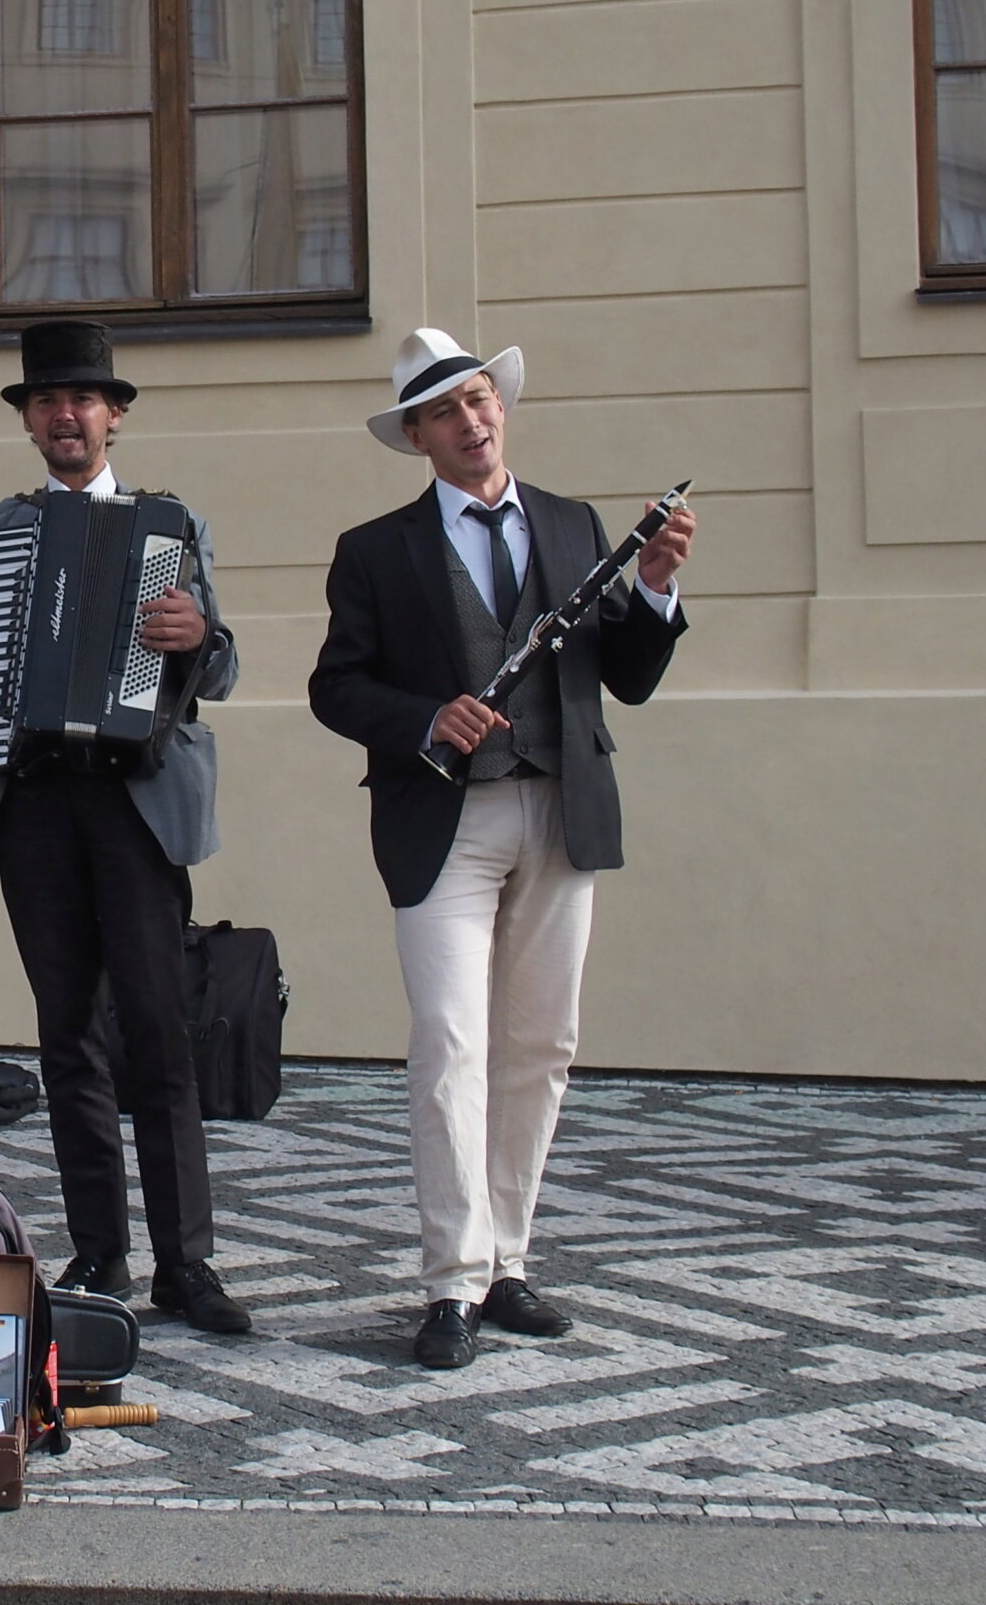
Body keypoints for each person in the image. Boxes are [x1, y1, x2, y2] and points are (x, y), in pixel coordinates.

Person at [308, 328, 693, 1370]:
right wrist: (429, 717)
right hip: (447, 819)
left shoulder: (572, 524)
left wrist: (652, 585)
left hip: (561, 809)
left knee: (539, 1047)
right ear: (419, 436)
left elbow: (629, 677)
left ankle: (507, 1265)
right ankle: (449, 1281)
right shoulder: (375, 550)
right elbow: (333, 688)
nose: (471, 422)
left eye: (480, 400)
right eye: (446, 411)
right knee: (448, 1045)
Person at [0, 320, 250, 1335]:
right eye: (46, 401)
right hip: (37, 802)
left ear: (114, 414)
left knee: (156, 1034)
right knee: (67, 1037)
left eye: (82, 400)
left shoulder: (167, 524)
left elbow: (220, 667)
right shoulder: (0, 531)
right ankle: (100, 1249)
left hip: (134, 802)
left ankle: (187, 1264)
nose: (65, 415)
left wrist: (197, 641)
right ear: (28, 421)